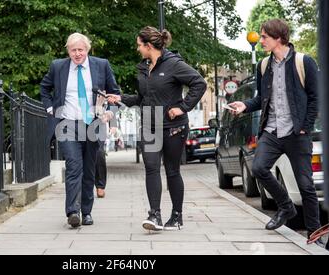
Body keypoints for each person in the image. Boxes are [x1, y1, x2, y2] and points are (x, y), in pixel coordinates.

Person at [229, 19, 321, 240]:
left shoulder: (303, 62)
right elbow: (261, 99)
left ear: (278, 38)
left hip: (296, 133)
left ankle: (314, 232)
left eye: (264, 37)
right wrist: (244, 106)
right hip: (271, 131)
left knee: (306, 185)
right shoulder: (263, 66)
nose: (261, 41)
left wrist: (304, 128)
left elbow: (316, 98)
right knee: (259, 168)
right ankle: (286, 206)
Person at [107, 26, 207, 231]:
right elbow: (142, 98)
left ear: (149, 45)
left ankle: (177, 216)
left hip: (173, 127)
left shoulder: (174, 64)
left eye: (139, 45)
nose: (137, 49)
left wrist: (182, 107)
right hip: (149, 125)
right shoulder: (143, 68)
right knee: (151, 168)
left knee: (172, 171)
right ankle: (155, 215)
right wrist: (120, 98)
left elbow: (199, 83)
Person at [40, 33, 119, 228]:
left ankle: (87, 212)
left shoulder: (101, 65)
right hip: (68, 124)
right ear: (68, 51)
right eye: (73, 50)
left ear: (87, 49)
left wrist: (110, 113)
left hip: (93, 123)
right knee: (74, 166)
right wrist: (51, 109)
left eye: (80, 50)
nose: (77, 54)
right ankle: (73, 212)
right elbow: (44, 88)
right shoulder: (58, 67)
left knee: (89, 169)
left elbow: (115, 94)